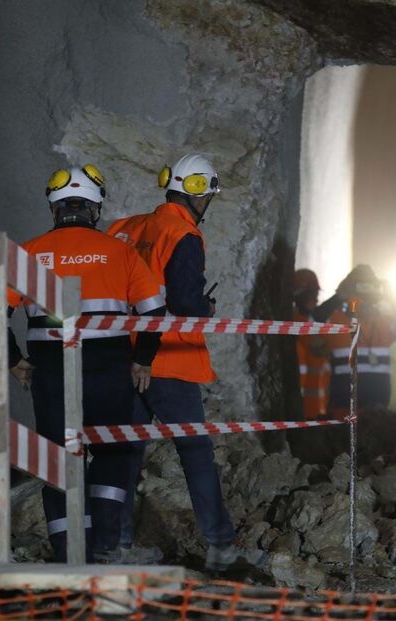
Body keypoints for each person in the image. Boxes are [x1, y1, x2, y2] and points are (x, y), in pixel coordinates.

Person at [0, 165, 166, 564]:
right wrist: (144, 361)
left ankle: (68, 553)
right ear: (96, 209)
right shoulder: (122, 252)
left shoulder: (25, 254)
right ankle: (102, 543)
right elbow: (154, 312)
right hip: (110, 368)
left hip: (51, 370)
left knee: (58, 457)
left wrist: (13, 360)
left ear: (54, 209)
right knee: (113, 453)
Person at [108, 153, 265, 571]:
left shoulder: (126, 227)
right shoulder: (183, 234)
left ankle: (118, 544)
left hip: (123, 354)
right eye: (208, 196)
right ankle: (220, 547)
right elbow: (183, 303)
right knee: (196, 451)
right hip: (169, 358)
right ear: (197, 193)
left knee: (124, 451)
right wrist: (205, 307)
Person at [326, 265, 396, 419]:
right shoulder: (335, 321)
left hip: (377, 411)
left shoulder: (384, 322)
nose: (365, 296)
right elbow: (313, 319)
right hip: (343, 409)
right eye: (361, 286)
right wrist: (339, 296)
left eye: (370, 286)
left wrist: (390, 295)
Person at [292, 269, 331, 420]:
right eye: (313, 294)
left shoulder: (312, 324)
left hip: (318, 411)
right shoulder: (295, 324)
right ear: (300, 296)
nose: (316, 300)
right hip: (305, 413)